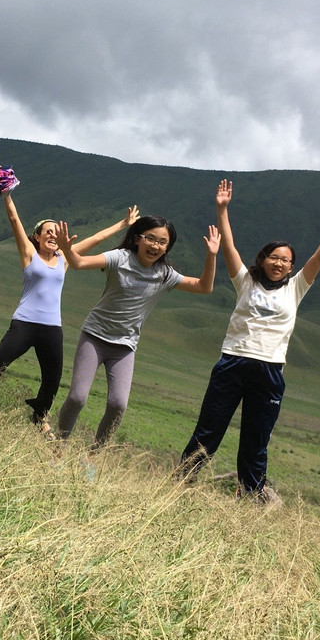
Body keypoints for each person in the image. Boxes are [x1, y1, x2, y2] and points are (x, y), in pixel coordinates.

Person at [176, 180, 320, 499]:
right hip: (233, 363)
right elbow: (230, 248)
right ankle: (180, 484)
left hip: (270, 371)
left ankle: (249, 496)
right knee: (209, 430)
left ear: (291, 267)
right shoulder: (245, 282)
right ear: (262, 259)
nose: (279, 263)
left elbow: (319, 256)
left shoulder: (296, 288)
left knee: (256, 438)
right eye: (273, 257)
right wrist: (222, 210)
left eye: (285, 260)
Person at [0, 188, 140, 434]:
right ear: (36, 237)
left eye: (55, 232)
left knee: (52, 381)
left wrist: (123, 223)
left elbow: (97, 239)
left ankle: (40, 418)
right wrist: (6, 194)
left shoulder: (65, 258)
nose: (52, 235)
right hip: (24, 324)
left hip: (52, 328)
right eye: (47, 231)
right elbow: (14, 219)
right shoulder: (29, 255)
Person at [53, 193, 222, 451]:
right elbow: (77, 263)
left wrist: (211, 255)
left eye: (162, 242)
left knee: (118, 405)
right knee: (77, 397)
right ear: (137, 238)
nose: (155, 245)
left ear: (167, 248)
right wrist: (66, 249)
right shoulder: (119, 258)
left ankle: (94, 457)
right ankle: (57, 447)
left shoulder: (164, 274)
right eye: (150, 238)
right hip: (95, 336)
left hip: (124, 346)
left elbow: (204, 287)